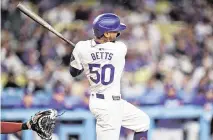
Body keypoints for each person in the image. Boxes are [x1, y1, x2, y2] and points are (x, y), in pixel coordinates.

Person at [69, 13, 150, 140]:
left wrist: (76, 54)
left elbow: (74, 72)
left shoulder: (81, 47)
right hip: (105, 105)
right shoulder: (120, 48)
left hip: (112, 102)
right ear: (106, 34)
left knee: (142, 121)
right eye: (115, 31)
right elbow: (104, 49)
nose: (118, 33)